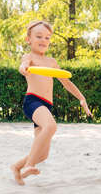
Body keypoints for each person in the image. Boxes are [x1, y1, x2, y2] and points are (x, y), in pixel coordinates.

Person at [10, 20, 92, 185]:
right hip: (33, 101)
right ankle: (29, 165)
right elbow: (23, 65)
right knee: (51, 126)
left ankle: (17, 167)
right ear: (29, 40)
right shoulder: (29, 57)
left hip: (46, 105)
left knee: (43, 154)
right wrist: (23, 68)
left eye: (47, 37)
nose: (43, 40)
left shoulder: (52, 62)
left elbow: (66, 82)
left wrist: (82, 98)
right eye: (39, 36)